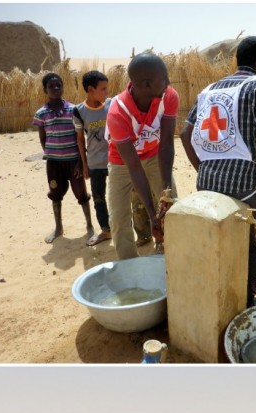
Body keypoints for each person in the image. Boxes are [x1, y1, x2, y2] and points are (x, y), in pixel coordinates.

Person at [180, 36, 256, 307]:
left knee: (217, 243)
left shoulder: (209, 90)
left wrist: (203, 169)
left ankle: (216, 298)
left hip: (208, 183)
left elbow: (185, 133)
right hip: (248, 186)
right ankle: (246, 300)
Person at [106, 53, 179, 259]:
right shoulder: (117, 113)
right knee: (119, 219)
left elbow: (166, 145)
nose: (169, 82)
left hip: (155, 156)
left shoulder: (169, 96)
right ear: (146, 84)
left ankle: (169, 254)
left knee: (172, 207)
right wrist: (151, 215)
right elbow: (133, 166)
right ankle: (129, 266)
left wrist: (165, 194)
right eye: (164, 77)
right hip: (122, 164)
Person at [33, 72, 94, 244]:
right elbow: (42, 137)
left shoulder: (73, 110)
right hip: (53, 164)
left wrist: (80, 162)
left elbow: (80, 137)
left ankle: (89, 225)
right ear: (45, 90)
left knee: (81, 194)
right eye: (51, 86)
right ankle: (58, 227)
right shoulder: (41, 113)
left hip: (73, 161)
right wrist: (51, 154)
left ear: (63, 87)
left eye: (58, 85)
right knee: (55, 194)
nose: (55, 88)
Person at [74, 70, 112, 246]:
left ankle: (123, 230)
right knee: (98, 199)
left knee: (120, 197)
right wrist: (84, 165)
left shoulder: (111, 105)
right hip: (95, 162)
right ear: (91, 89)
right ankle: (106, 231)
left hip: (115, 161)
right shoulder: (79, 111)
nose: (106, 92)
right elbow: (80, 139)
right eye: (103, 89)